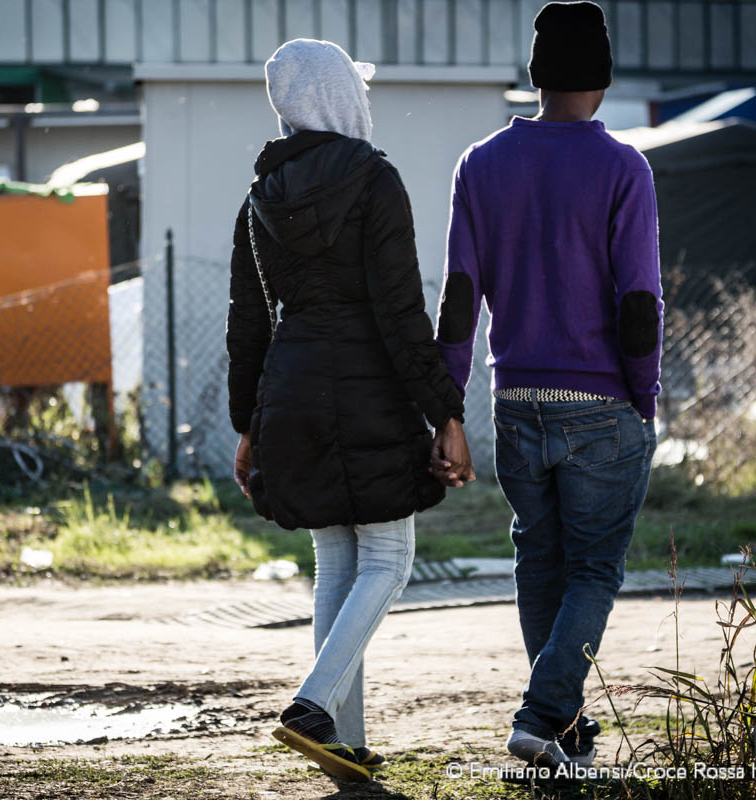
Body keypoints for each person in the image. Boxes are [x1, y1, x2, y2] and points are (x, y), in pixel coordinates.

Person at [225, 38, 474, 782]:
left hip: (292, 389)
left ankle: (344, 749)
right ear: (339, 96)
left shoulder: (260, 195)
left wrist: (248, 424)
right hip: (366, 385)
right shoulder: (375, 180)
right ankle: (311, 707)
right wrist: (446, 413)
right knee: (391, 561)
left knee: (336, 559)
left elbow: (248, 320)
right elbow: (399, 310)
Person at [432, 1, 663, 767]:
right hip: (602, 404)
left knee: (542, 561)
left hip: (515, 401)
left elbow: (459, 297)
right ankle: (540, 718)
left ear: (536, 76)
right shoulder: (624, 167)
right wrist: (645, 399)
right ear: (602, 77)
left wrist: (448, 409)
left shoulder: (480, 164)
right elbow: (639, 304)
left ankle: (563, 727)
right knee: (594, 569)